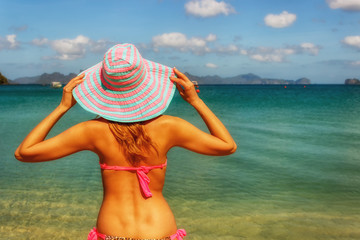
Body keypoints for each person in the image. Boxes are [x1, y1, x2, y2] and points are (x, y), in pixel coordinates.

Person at [15, 43, 236, 240]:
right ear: (148, 83)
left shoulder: (92, 131)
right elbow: (227, 146)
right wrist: (195, 101)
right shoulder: (171, 127)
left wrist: (63, 107)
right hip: (159, 229)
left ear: (103, 87)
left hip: (113, 231)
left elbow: (24, 153)